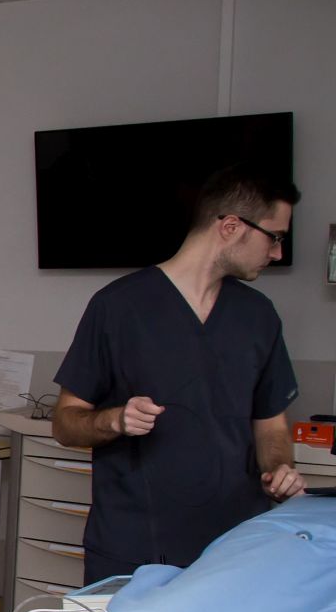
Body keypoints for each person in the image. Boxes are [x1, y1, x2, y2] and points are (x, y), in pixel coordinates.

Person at [51, 165, 304, 581]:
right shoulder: (118, 307)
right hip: (133, 548)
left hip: (233, 549)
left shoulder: (258, 316)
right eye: (273, 237)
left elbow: (271, 426)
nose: (276, 252)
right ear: (231, 227)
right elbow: (65, 422)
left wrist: (278, 469)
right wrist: (115, 420)